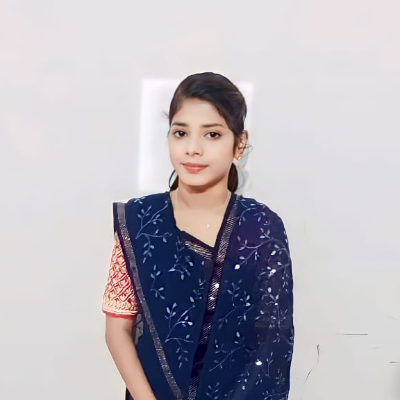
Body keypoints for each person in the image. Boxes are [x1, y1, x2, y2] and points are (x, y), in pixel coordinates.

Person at [102, 72, 294, 400]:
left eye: (212, 134)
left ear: (239, 144)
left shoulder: (261, 227)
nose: (193, 149)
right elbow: (117, 330)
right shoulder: (140, 221)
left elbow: (272, 343)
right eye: (181, 133)